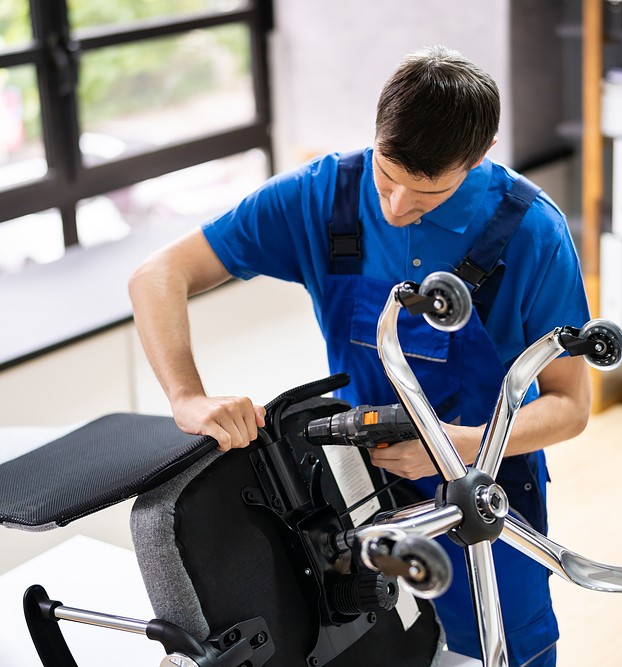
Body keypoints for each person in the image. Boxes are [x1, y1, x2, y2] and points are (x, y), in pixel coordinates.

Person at [129, 45, 591, 667]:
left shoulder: (531, 231)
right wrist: (187, 395)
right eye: (387, 175)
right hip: (358, 495)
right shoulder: (326, 197)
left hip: (484, 498)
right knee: (375, 650)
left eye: (424, 195)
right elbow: (158, 275)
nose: (396, 207)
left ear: (476, 161)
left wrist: (460, 444)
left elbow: (571, 405)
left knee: (500, 650)